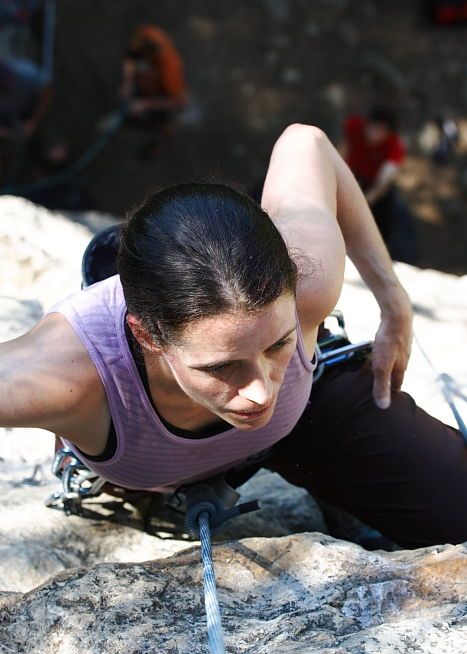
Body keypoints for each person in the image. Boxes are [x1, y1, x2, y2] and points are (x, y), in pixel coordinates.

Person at [0, 124, 465, 549]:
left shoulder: (308, 282)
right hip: (145, 454)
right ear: (146, 336)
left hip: (307, 412)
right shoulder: (69, 378)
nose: (261, 391)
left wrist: (395, 304)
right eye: (220, 367)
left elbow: (307, 143)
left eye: (278, 343)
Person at [342, 108, 417, 264]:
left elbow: (386, 177)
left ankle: (380, 258)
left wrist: (370, 197)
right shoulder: (354, 126)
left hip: (377, 186)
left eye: (381, 130)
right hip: (353, 176)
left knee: (382, 222)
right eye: (373, 127)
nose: (375, 133)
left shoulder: (394, 145)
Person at [119, 24, 187, 157]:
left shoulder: (170, 69)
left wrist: (145, 104)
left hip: (161, 98)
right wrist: (127, 83)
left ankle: (161, 145)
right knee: (135, 109)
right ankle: (135, 118)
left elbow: (179, 101)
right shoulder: (146, 34)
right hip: (147, 86)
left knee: (162, 124)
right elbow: (130, 58)